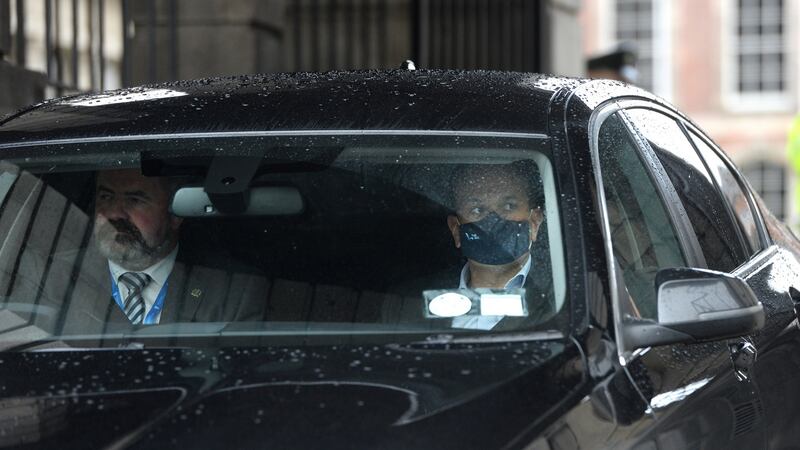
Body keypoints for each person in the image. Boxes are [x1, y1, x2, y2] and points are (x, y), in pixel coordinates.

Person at [37, 168, 267, 334]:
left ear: (176, 213)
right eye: (106, 197)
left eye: (135, 200)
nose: (114, 214)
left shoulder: (234, 290)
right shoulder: (52, 277)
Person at [382, 163, 555, 330]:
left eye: (508, 206)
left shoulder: (565, 298)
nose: (493, 220)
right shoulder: (408, 301)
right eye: (477, 209)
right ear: (456, 229)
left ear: (534, 222)